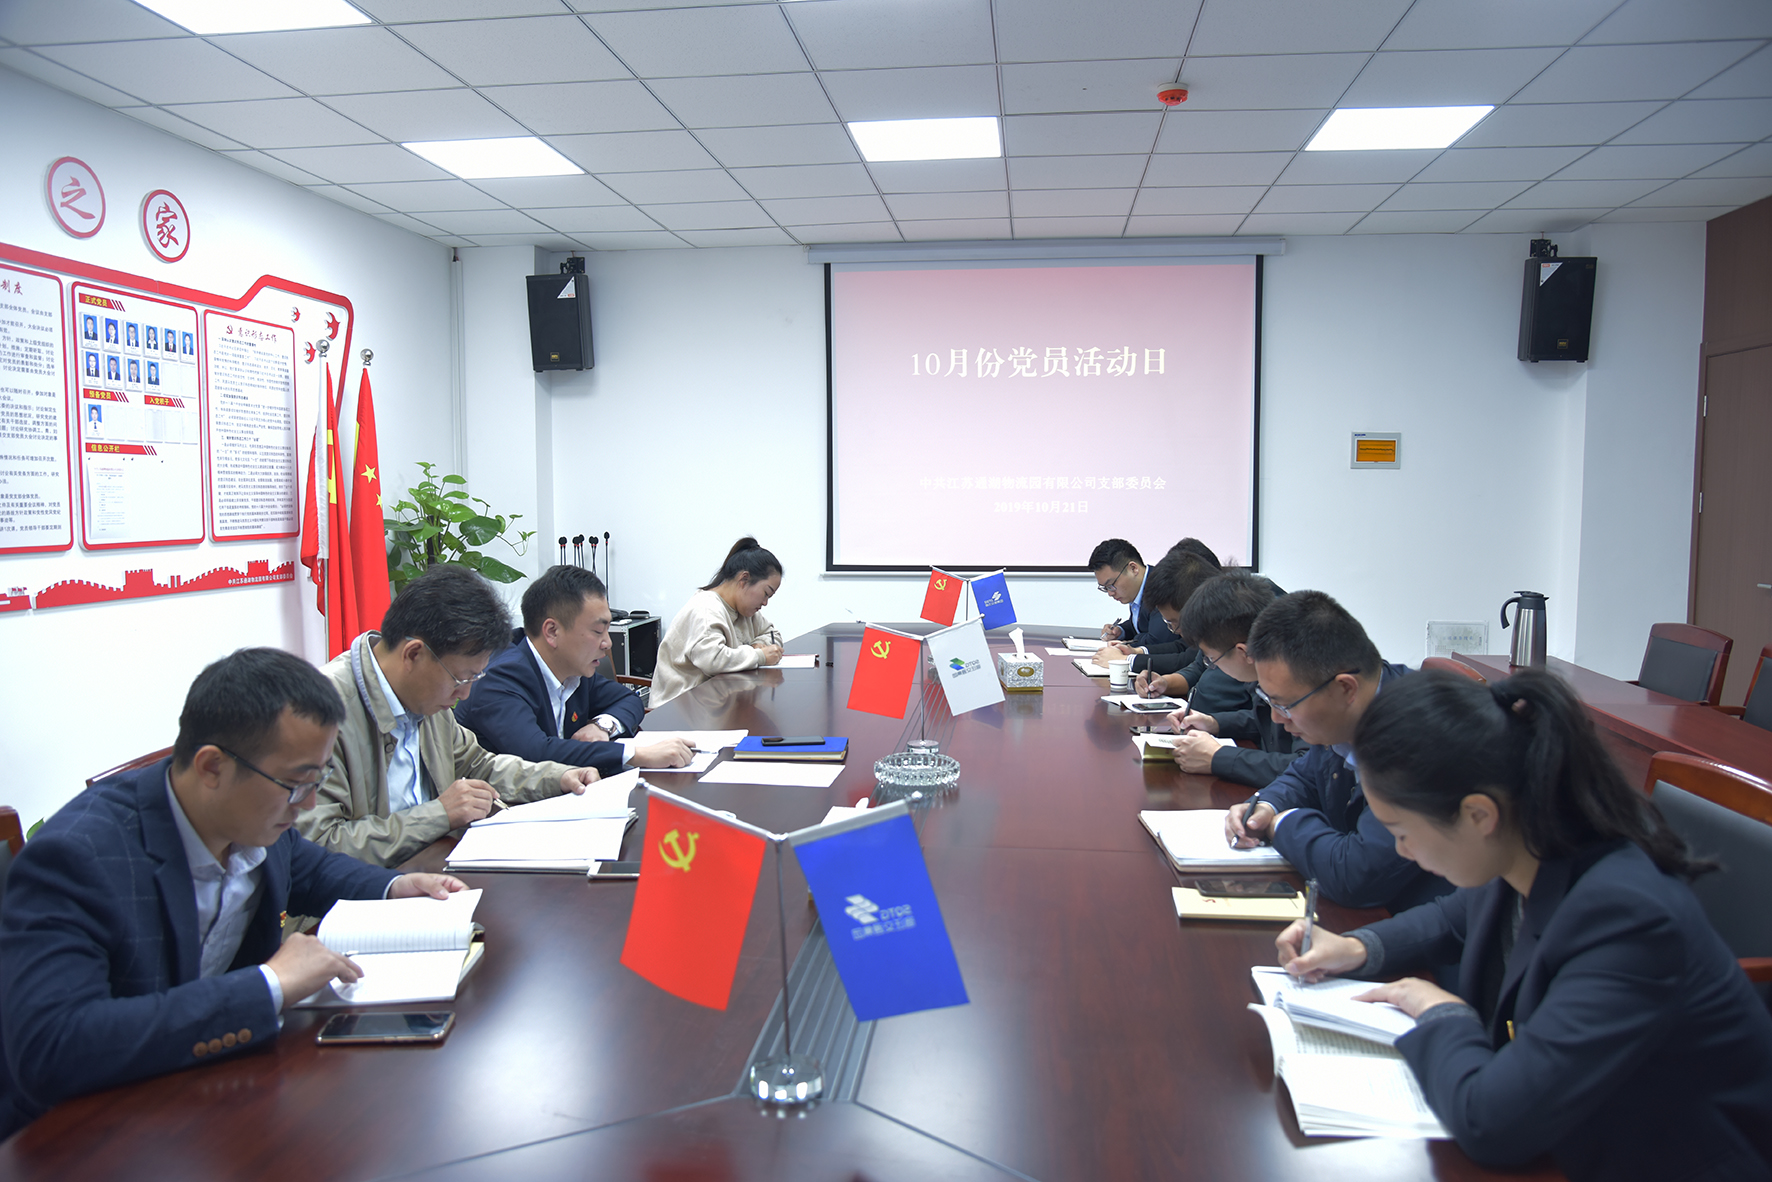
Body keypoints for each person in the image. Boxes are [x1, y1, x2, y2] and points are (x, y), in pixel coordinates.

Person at [1277, 669, 1772, 1181]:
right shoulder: (1526, 846)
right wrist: (1356, 948)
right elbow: (1452, 917)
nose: (1401, 851)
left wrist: (1441, 1011)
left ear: (1478, 815)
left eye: (1402, 831)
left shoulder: (1626, 918)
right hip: (1572, 1132)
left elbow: (1490, 1124)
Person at [0, 648, 467, 1138]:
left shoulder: (252, 815)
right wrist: (268, 985)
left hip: (208, 1096)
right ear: (211, 767)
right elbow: (52, 1047)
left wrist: (393, 887)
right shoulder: (78, 858)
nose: (308, 803)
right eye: (296, 783)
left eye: (318, 778)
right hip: (87, 1132)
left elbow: (307, 869)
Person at [299, 564, 597, 868]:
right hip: (370, 888)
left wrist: (556, 777)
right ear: (413, 654)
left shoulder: (425, 698)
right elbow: (320, 844)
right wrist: (439, 814)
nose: (464, 694)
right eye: (460, 679)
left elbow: (478, 764)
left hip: (435, 866)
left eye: (474, 678)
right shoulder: (320, 713)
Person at [1225, 590, 1449, 913]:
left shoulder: (1419, 739)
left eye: (1285, 705)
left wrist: (1282, 824)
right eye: (1269, 701)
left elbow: (1357, 874)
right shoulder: (1347, 715)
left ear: (1345, 688)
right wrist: (1266, 805)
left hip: (1418, 926)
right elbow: (1305, 775)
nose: (1275, 718)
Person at [455, 565, 693, 774]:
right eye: (598, 631)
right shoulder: (499, 677)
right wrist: (633, 754)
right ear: (552, 631)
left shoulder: (574, 669)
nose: (607, 643)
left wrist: (602, 726)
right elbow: (535, 753)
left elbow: (628, 699)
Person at [1160, 572, 1304, 787]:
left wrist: (1218, 757)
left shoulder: (1306, 680)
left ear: (1243, 652)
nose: (1213, 667)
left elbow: (1308, 769)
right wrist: (1213, 723)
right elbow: (1268, 721)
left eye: (1212, 659)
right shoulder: (1265, 668)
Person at [650, 537, 782, 707]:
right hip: (681, 710)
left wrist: (759, 644)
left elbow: (773, 634)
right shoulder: (706, 610)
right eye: (766, 593)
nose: (765, 603)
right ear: (744, 579)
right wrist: (759, 656)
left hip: (714, 703)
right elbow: (713, 660)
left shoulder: (745, 611)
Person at [1089, 539, 1176, 661]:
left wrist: (1124, 645)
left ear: (1133, 569)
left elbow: (1157, 640)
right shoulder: (1139, 587)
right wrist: (1121, 631)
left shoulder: (1161, 586)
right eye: (1105, 588)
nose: (1110, 593)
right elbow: (1143, 624)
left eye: (1111, 585)